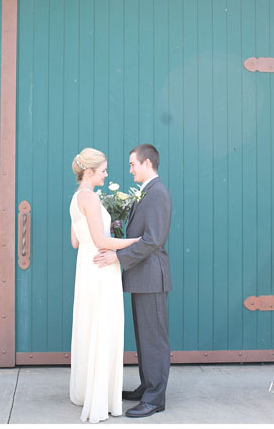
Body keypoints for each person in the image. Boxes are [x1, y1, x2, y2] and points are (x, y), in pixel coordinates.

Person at [93, 144, 172, 418]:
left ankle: (155, 398)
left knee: (154, 340)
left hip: (152, 277)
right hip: (142, 277)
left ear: (147, 163)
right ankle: (148, 386)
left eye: (132, 164)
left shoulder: (157, 192)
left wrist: (118, 256)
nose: (130, 170)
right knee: (144, 338)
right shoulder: (146, 192)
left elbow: (153, 240)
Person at [69, 147, 141, 423]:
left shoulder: (76, 197)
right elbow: (101, 241)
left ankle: (87, 391)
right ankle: (100, 397)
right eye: (103, 170)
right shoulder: (90, 198)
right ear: (89, 172)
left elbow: (76, 241)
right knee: (104, 327)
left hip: (86, 267)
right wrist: (137, 242)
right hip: (101, 269)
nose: (106, 174)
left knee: (90, 326)